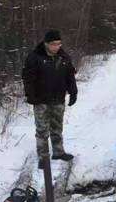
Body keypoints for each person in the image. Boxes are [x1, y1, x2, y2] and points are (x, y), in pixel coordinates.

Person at [22, 29, 78, 169]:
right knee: (42, 130)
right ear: (46, 43)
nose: (56, 47)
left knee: (57, 128)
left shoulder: (64, 57)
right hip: (41, 100)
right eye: (53, 44)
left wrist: (73, 92)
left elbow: (70, 76)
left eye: (59, 44)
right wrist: (30, 95)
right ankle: (43, 157)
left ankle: (58, 152)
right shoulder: (35, 57)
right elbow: (28, 78)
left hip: (58, 98)